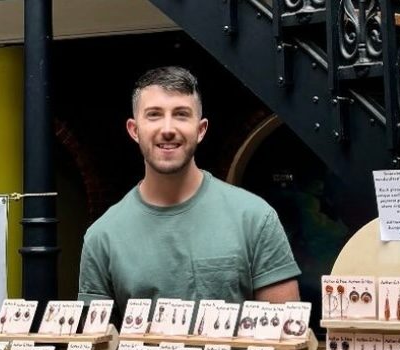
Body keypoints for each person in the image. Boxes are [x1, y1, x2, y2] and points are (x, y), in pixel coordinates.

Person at [78, 66, 301, 313]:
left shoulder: (254, 218)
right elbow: (96, 338)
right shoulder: (102, 237)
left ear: (201, 130)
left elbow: (287, 330)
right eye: (154, 115)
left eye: (181, 114)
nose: (167, 129)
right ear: (134, 130)